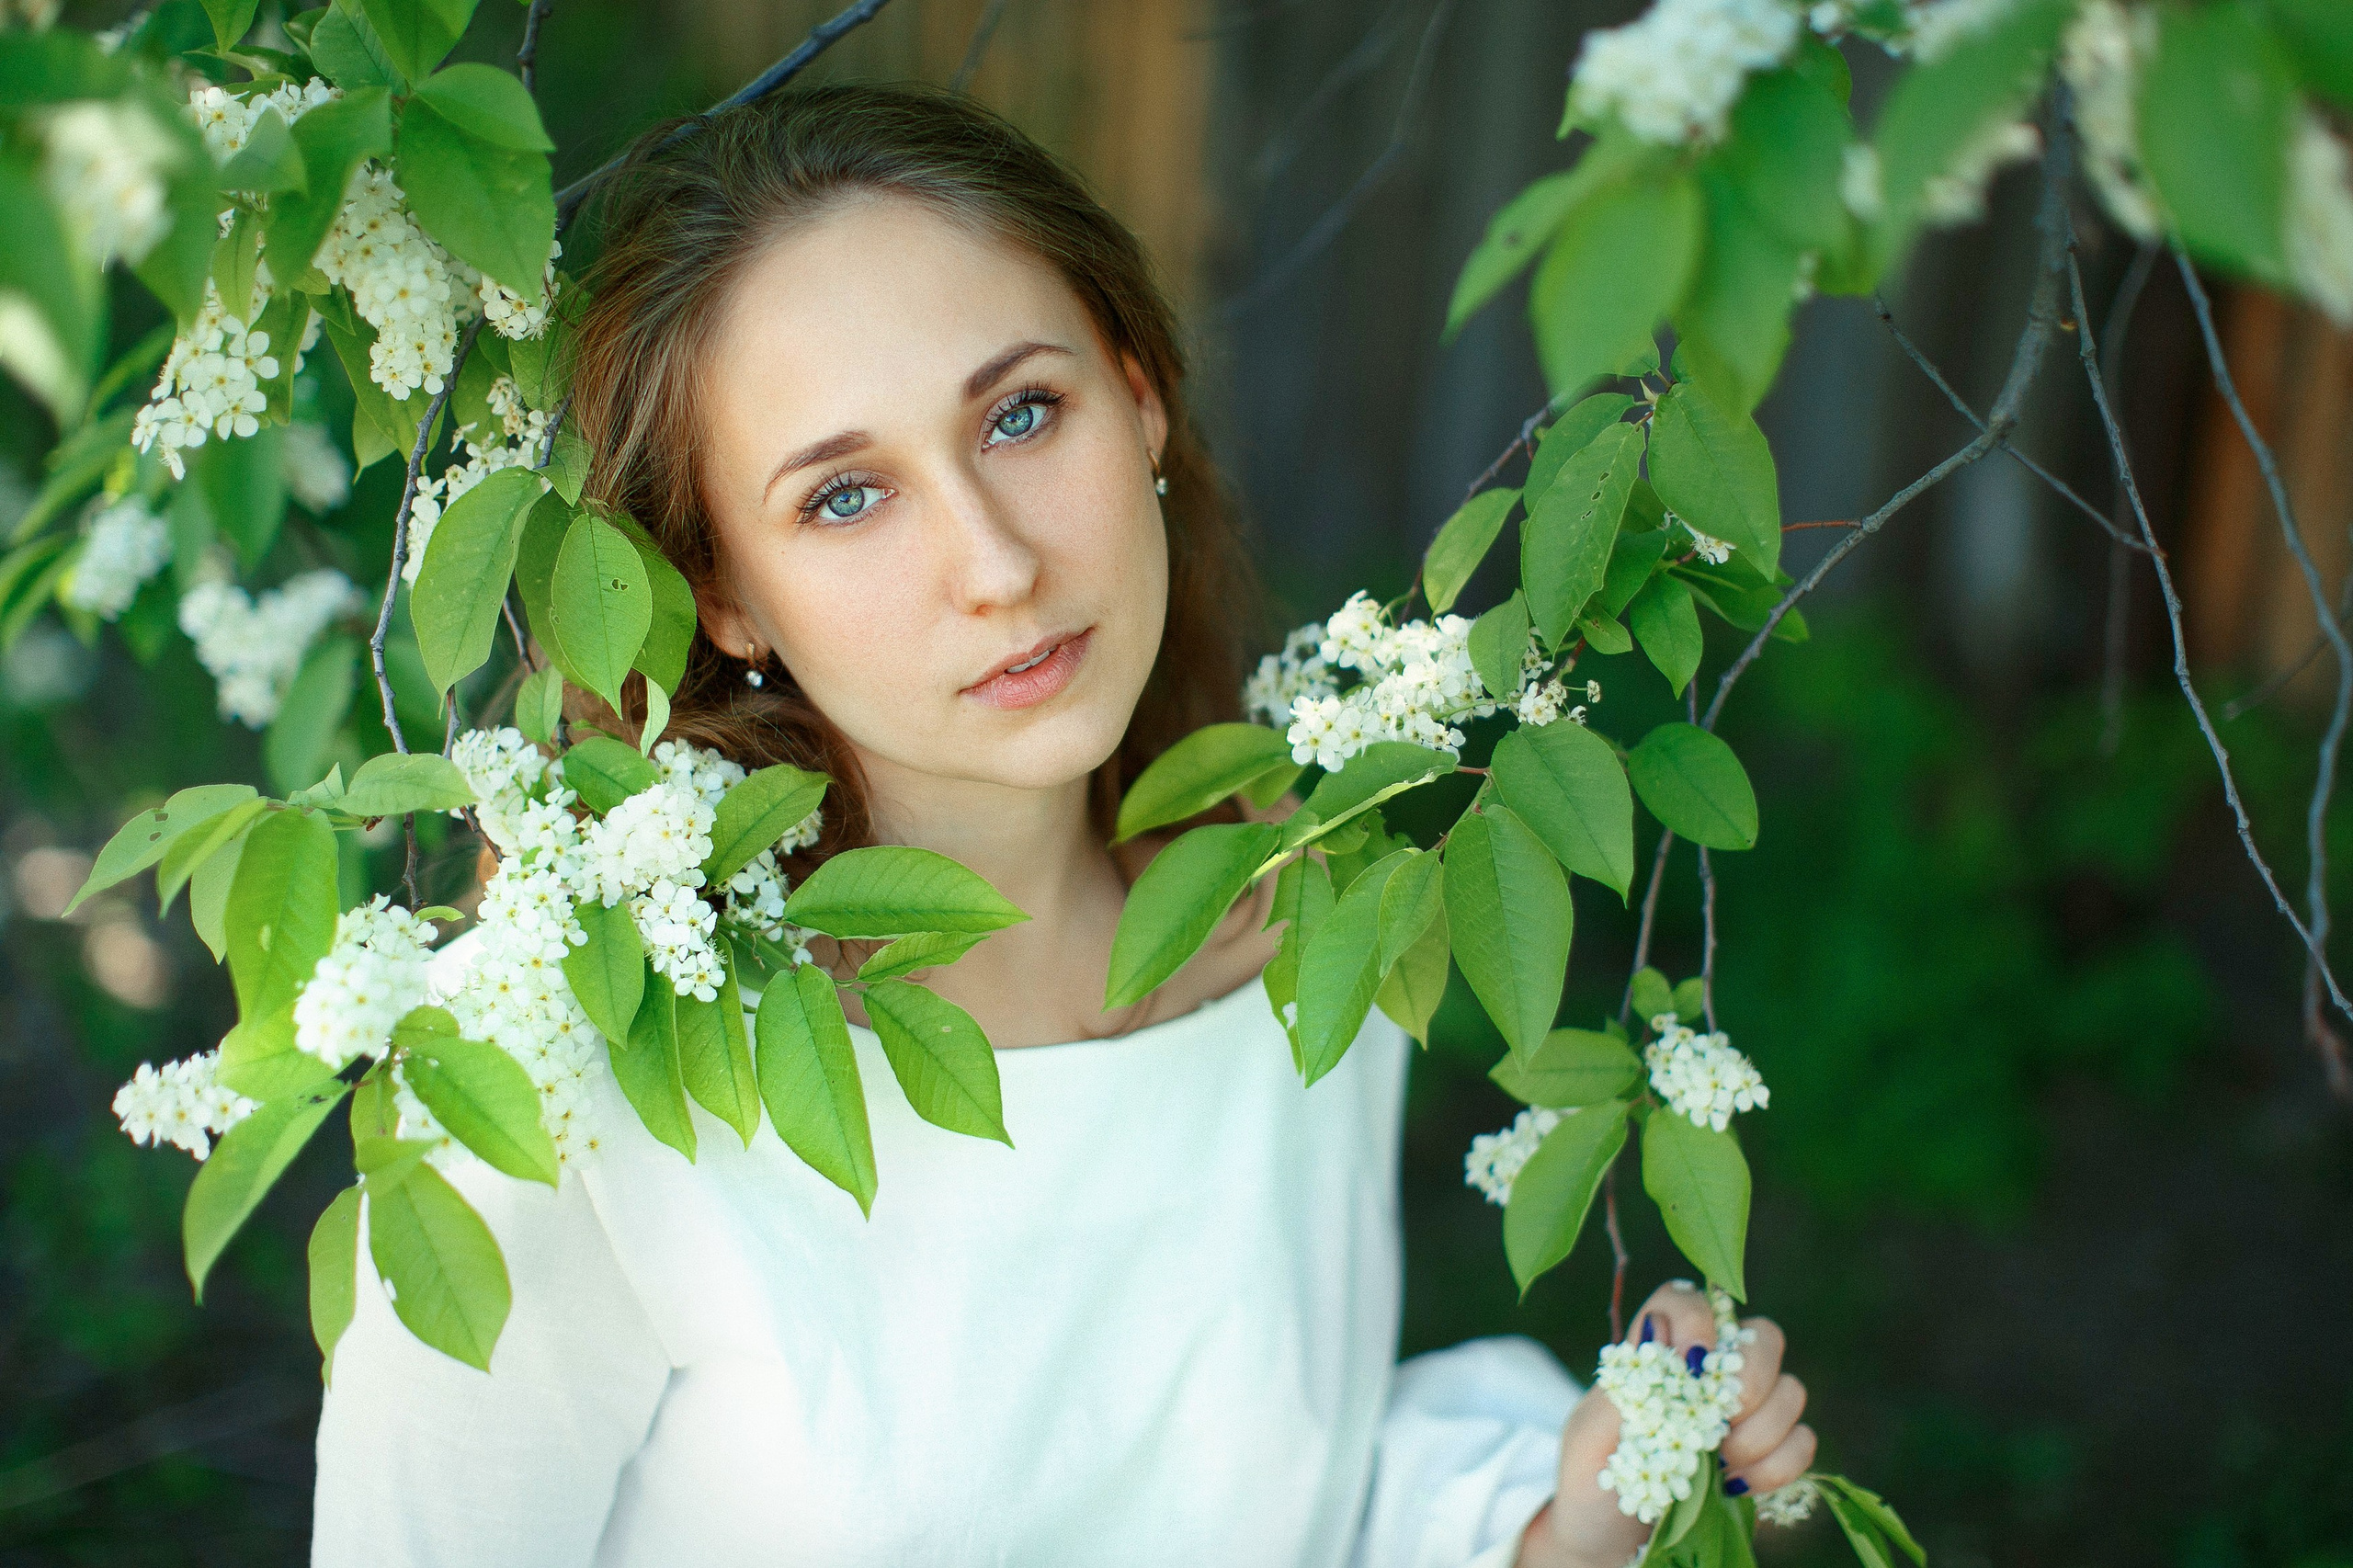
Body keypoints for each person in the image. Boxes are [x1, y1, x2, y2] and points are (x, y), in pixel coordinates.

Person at [311, 83, 1813, 1567]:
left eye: (1022, 413)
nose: (996, 561)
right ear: (724, 597)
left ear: (1142, 395)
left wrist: (1565, 1530)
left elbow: (1297, 1503)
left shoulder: (1307, 917)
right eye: (845, 497)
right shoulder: (563, 1069)